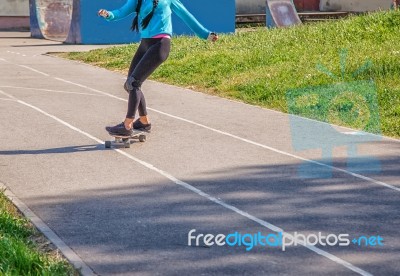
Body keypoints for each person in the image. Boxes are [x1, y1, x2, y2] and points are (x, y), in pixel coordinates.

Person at [98, 0, 218, 136]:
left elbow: (186, 16)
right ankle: (144, 122)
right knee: (129, 85)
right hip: (145, 44)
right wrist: (108, 14)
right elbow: (120, 12)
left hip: (160, 44)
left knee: (134, 83)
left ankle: (127, 125)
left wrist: (206, 35)